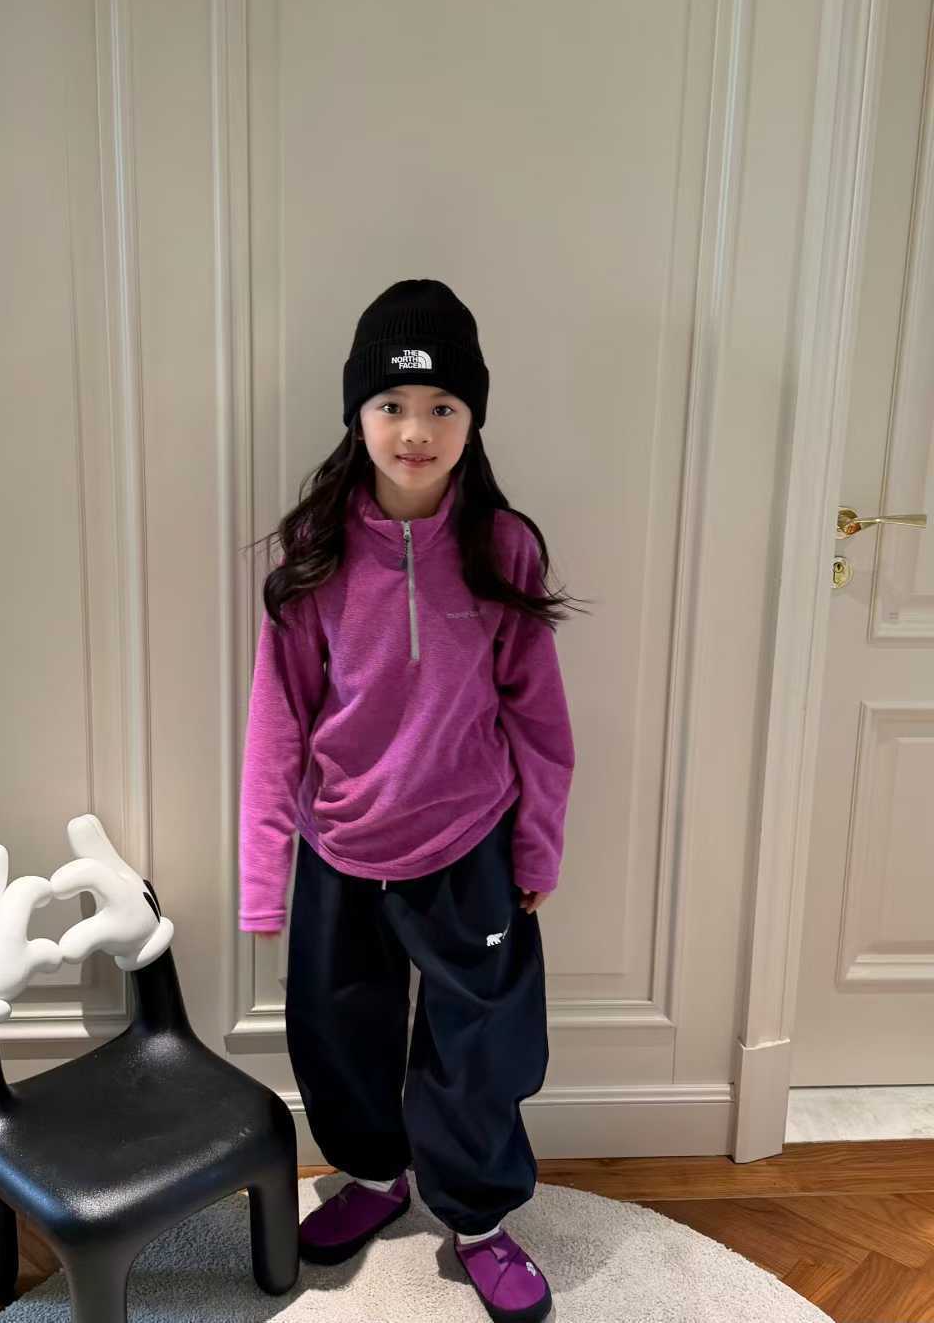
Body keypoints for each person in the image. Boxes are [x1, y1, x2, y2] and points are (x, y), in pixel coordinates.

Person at [238, 278, 586, 1322]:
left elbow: (540, 720)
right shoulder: (314, 550)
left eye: (442, 406)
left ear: (473, 419)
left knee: (481, 1049)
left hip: (469, 845)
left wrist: (538, 846)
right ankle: (375, 1174)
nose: (416, 430)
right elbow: (277, 722)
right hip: (341, 849)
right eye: (391, 405)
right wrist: (265, 872)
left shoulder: (502, 547)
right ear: (358, 413)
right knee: (336, 1031)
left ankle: (477, 1217)